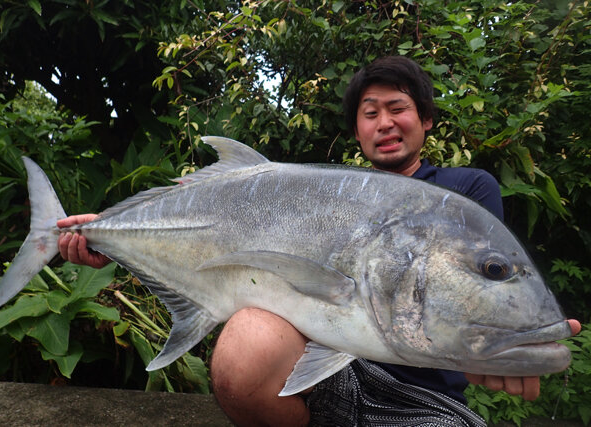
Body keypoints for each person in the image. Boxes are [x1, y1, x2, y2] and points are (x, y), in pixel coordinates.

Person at [58, 56, 582, 426]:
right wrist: (106, 232)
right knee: (244, 340)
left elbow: (454, 302)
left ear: (424, 118)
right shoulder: (321, 193)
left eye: (397, 108)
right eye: (369, 113)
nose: (384, 122)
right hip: (323, 380)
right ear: (357, 131)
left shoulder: (462, 193)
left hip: (423, 398)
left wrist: (490, 347)